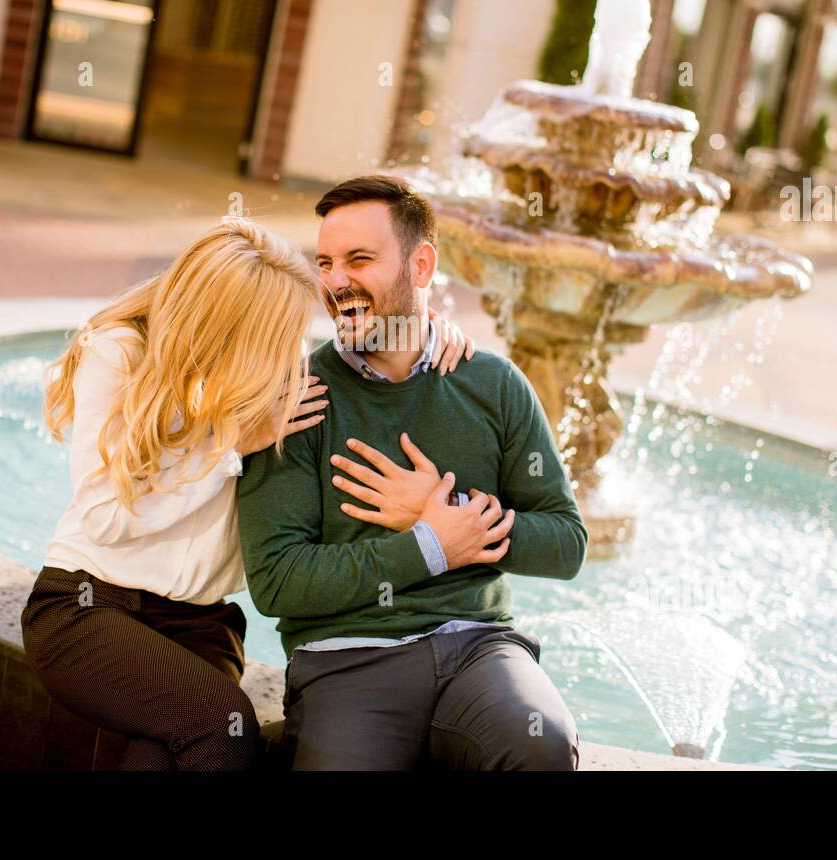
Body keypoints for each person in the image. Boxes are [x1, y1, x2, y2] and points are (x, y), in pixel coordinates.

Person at [19, 216, 478, 770]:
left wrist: (428, 334)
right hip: (90, 607)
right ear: (230, 323)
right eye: (273, 333)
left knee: (164, 753)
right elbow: (105, 518)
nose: (285, 349)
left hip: (199, 626)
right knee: (222, 732)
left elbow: (364, 371)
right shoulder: (120, 355)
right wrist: (229, 447)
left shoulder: (267, 379)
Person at [236, 175, 589, 771]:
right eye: (325, 262)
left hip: (480, 649)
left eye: (359, 259)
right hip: (349, 658)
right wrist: (429, 545)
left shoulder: (494, 385)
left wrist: (449, 515)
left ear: (420, 266)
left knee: (541, 744)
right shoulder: (295, 400)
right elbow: (277, 582)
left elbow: (567, 544)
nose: (336, 280)